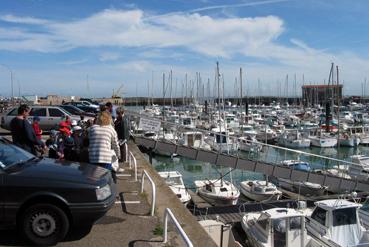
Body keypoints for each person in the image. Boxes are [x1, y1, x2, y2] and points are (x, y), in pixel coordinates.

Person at [89, 111, 120, 182]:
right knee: (106, 178)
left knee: (94, 178)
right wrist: (118, 155)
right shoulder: (111, 129)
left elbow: (90, 139)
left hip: (93, 156)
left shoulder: (92, 128)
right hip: (105, 157)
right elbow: (115, 144)